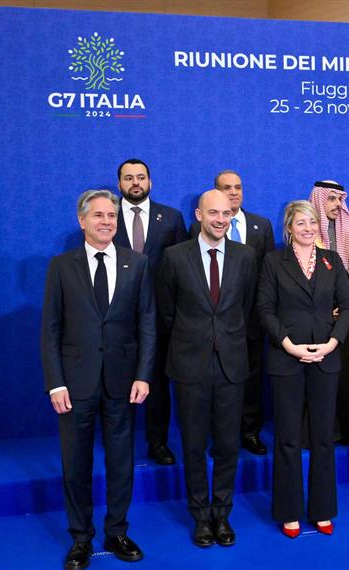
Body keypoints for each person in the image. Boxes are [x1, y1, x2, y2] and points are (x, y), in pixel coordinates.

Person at [41, 189, 155, 570]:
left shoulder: (137, 264)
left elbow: (148, 324)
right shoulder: (61, 266)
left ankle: (117, 531)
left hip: (123, 382)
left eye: (111, 216)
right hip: (74, 385)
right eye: (99, 215)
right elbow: (50, 329)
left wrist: (143, 375)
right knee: (76, 464)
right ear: (82, 220)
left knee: (122, 462)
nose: (107, 221)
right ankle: (80, 538)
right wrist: (56, 383)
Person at [157, 189, 258, 547]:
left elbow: (247, 307)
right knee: (194, 445)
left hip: (232, 363)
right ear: (199, 215)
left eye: (226, 213)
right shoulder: (174, 257)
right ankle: (201, 516)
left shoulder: (246, 256)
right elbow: (166, 312)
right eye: (213, 213)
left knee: (229, 445)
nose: (220, 219)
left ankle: (222, 513)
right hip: (189, 365)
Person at [258, 201, 349, 538]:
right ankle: (289, 511)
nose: (308, 228)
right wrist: (288, 344)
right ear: (289, 227)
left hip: (326, 358)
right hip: (287, 357)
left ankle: (322, 508)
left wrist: (332, 343)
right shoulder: (273, 262)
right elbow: (265, 309)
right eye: (301, 223)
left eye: (312, 222)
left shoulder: (332, 261)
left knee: (323, 437)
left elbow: (348, 306)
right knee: (288, 437)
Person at [189, 169, 275, 456]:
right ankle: (221, 438)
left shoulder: (261, 225)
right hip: (214, 327)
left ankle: (250, 433)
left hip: (251, 321)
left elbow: (267, 275)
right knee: (218, 384)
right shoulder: (198, 230)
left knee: (251, 382)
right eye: (227, 187)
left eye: (238, 187)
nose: (234, 192)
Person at [113, 158, 188, 466]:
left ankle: (158, 442)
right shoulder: (106, 216)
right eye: (129, 177)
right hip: (116, 317)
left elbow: (184, 268)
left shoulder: (170, 218)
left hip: (160, 317)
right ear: (119, 183)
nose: (135, 183)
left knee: (156, 383)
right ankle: (119, 444)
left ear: (150, 182)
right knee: (116, 382)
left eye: (141, 177)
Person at [309, 180, 349, 444]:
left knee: (347, 378)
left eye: (340, 199)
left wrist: (348, 305)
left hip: (348, 315)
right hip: (316, 318)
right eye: (331, 198)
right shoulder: (307, 232)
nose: (337, 204)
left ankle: (348, 428)